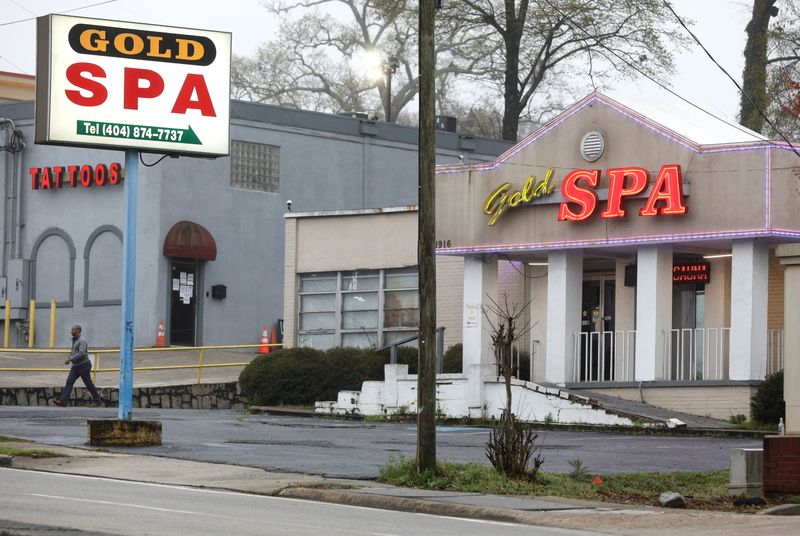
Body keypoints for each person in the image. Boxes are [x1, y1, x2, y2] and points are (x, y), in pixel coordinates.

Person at [53, 324, 102, 407]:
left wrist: (70, 359)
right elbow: (74, 351)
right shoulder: (74, 340)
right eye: (71, 329)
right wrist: (70, 357)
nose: (71, 331)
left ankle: (97, 401)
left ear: (78, 331)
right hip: (76, 366)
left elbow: (82, 353)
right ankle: (63, 401)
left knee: (88, 383)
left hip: (84, 365)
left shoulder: (82, 340)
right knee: (69, 382)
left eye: (73, 329)